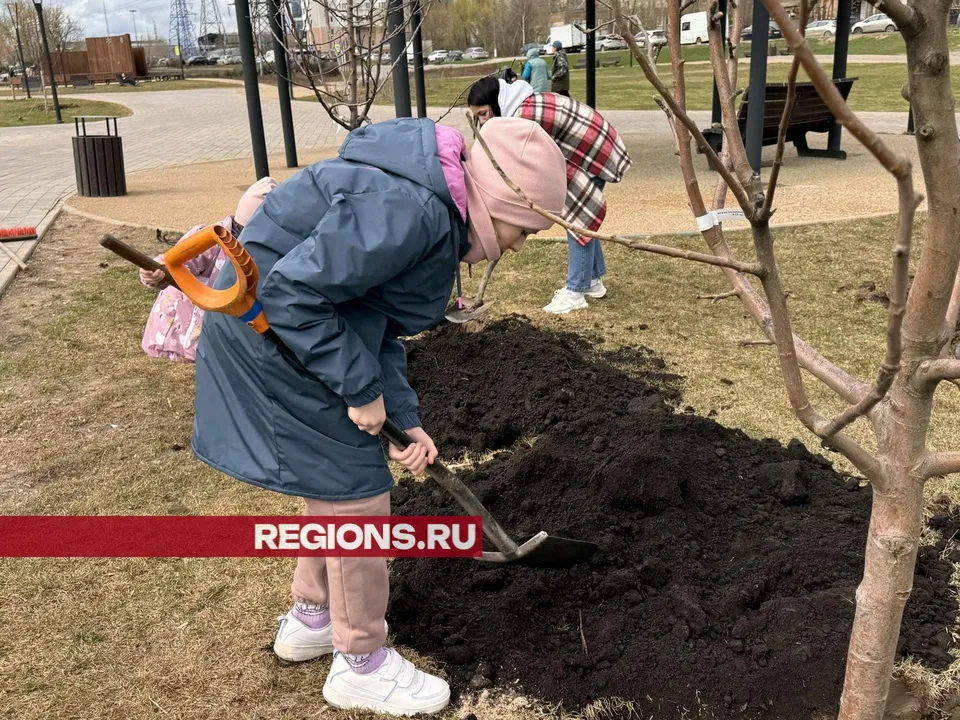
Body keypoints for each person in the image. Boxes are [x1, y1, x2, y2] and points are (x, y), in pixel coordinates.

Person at [191, 117, 566, 716]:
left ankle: (313, 617)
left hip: (297, 332)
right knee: (356, 492)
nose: (520, 246)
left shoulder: (427, 205)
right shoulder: (411, 210)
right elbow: (293, 295)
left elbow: (375, 319)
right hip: (270, 335)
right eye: (524, 229)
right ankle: (361, 663)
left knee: (335, 480)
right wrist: (362, 391)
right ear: (496, 201)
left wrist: (402, 415)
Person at [468, 77, 632, 314]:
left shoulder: (523, 119)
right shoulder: (519, 107)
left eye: (484, 113)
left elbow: (542, 167)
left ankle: (576, 291)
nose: (482, 121)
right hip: (586, 145)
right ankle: (593, 281)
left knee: (576, 218)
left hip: (591, 151)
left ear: (495, 102)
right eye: (477, 117)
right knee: (582, 218)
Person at [139, 177, 278, 362]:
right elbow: (176, 260)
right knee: (188, 349)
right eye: (244, 232)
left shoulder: (271, 249)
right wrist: (158, 272)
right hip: (177, 326)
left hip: (218, 329)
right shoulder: (210, 240)